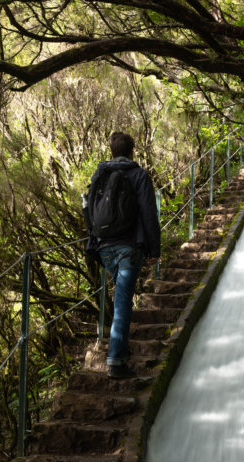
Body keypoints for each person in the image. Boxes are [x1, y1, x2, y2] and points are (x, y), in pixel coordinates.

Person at [85, 131, 161, 378]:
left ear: (111, 151)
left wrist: (93, 241)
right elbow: (149, 213)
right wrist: (154, 249)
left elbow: (89, 208)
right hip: (129, 246)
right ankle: (116, 361)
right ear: (132, 151)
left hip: (104, 246)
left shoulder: (100, 174)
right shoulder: (139, 175)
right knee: (122, 300)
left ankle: (118, 355)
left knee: (121, 296)